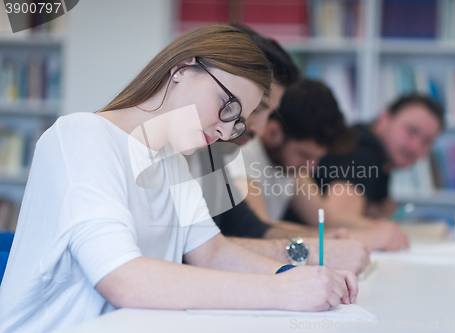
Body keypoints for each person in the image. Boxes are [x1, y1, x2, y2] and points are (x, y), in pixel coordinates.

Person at [0, 25, 358, 333]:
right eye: (227, 105)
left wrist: (292, 275)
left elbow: (212, 252)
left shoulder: (170, 159)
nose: (225, 129)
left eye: (237, 121)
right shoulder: (81, 136)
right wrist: (284, 291)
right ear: (183, 69)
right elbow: (123, 278)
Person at [186, 25, 369, 274]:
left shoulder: (212, 154)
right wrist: (314, 251)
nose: (260, 128)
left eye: (266, 112)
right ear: (182, 71)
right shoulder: (213, 150)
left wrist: (325, 243)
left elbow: (252, 229)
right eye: (257, 109)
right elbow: (195, 251)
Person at [227, 79, 410, 251]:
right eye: (304, 155)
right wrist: (357, 237)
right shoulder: (244, 152)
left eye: (316, 158)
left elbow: (324, 217)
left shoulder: (287, 161)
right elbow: (259, 229)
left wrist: (377, 227)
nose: (311, 167)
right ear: (273, 132)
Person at [310, 94, 444, 221]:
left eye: (427, 141)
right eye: (411, 131)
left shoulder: (381, 160)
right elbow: (336, 230)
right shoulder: (363, 153)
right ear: (385, 118)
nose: (416, 147)